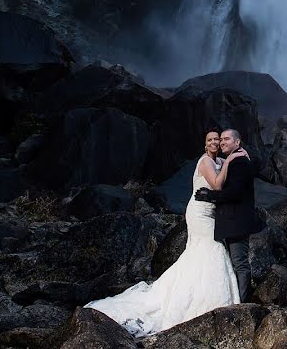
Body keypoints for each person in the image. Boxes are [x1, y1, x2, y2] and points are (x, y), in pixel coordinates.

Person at [84, 130, 247, 336]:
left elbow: (234, 168)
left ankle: (194, 292)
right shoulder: (206, 161)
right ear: (205, 145)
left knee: (198, 254)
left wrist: (237, 156)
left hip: (211, 212)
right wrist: (232, 158)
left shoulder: (220, 162)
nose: (215, 142)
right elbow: (217, 184)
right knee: (212, 248)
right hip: (200, 212)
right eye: (211, 140)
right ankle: (205, 301)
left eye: (218, 139)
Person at [194, 128, 260, 302]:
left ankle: (241, 302)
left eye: (225, 139)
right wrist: (235, 156)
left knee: (239, 263)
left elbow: (234, 192)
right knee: (225, 258)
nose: (220, 142)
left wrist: (210, 196)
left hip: (235, 220)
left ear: (237, 142)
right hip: (213, 216)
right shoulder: (228, 160)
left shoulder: (237, 162)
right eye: (217, 139)